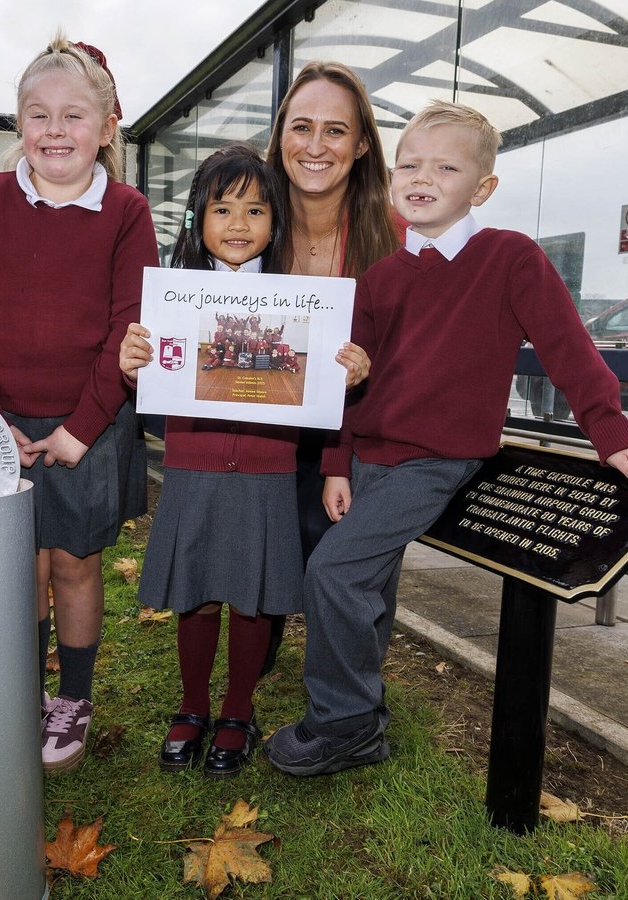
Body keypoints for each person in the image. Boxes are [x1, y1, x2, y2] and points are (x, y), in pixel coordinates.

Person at [264, 101, 628, 777]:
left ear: (482, 188)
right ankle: (363, 706)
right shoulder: (381, 275)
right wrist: (337, 463)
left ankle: (345, 723)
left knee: (332, 572)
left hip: (438, 460)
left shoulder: (509, 258)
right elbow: (348, 379)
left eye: (445, 167)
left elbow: (569, 348)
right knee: (369, 585)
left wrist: (611, 431)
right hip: (369, 457)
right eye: (410, 164)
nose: (422, 177)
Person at [118, 143, 370, 778]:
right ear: (197, 219)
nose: (237, 224)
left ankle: (237, 708)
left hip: (266, 471)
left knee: (254, 594)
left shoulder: (303, 303)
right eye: (222, 208)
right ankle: (193, 705)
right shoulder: (171, 298)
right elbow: (151, 376)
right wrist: (133, 363)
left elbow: (329, 394)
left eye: (255, 210)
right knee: (197, 595)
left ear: (275, 222)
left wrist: (351, 374)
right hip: (193, 467)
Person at [0, 35, 156, 774]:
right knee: (20, 567)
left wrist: (79, 429)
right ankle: (24, 694)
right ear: (19, 125)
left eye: (73, 115)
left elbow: (131, 330)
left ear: (106, 127)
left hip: (90, 427)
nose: (55, 130)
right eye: (38, 115)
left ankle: (74, 698)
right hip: (1, 421)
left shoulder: (127, 211)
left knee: (72, 562)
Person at [261, 61, 403, 674]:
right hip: (263, 422)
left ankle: (349, 683)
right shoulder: (246, 220)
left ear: (362, 143)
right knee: (263, 551)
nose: (316, 147)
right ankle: (252, 665)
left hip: (360, 429)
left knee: (347, 568)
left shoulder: (396, 232)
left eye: (336, 131)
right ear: (281, 136)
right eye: (302, 127)